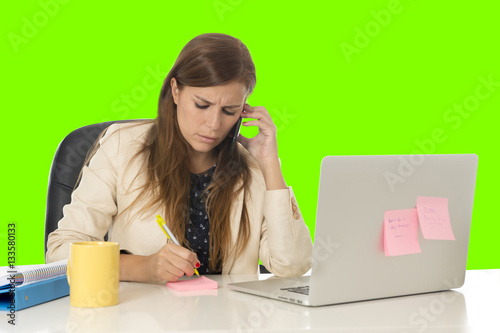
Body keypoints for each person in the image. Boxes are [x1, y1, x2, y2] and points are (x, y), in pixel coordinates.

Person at [46, 33, 313, 282]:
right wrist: (142, 267)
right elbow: (61, 253)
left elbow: (293, 265)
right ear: (175, 90)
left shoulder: (253, 167)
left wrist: (270, 165)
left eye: (229, 111)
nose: (213, 124)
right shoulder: (120, 146)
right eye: (202, 105)